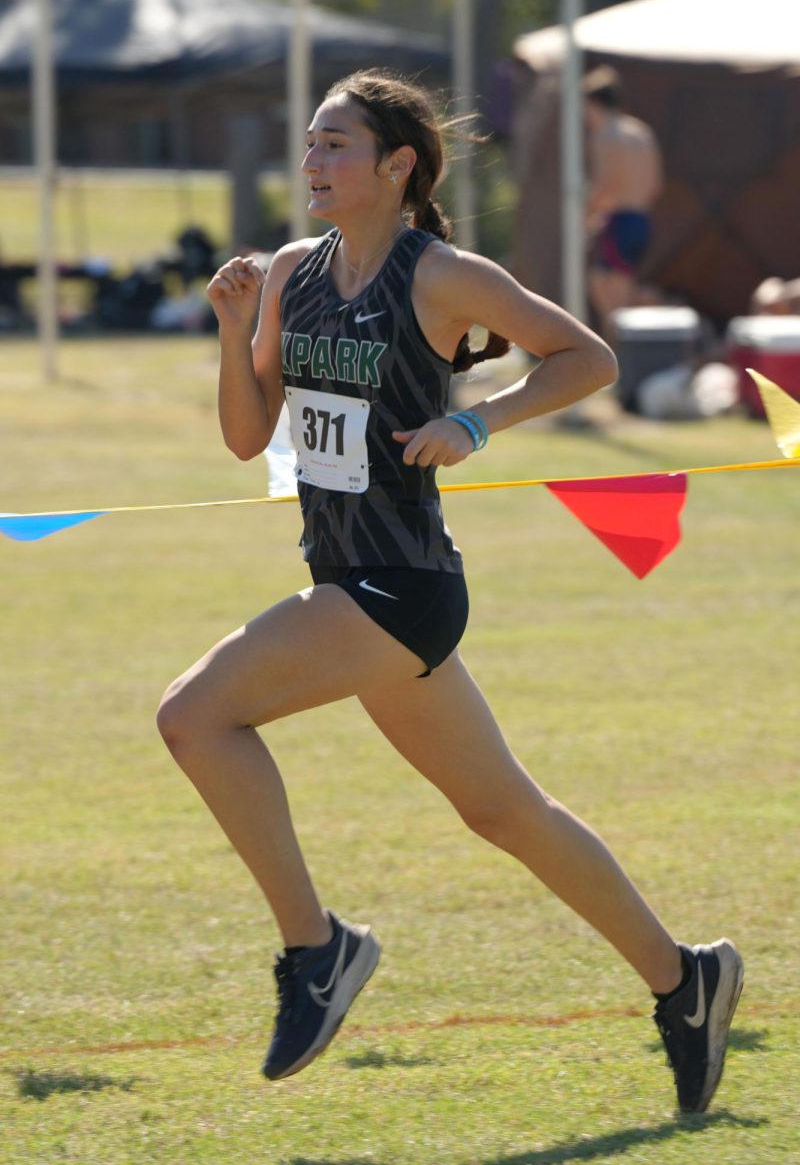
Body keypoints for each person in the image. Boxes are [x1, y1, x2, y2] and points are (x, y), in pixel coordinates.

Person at [156, 69, 743, 1111]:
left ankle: (317, 949)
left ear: (397, 167)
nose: (312, 165)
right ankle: (682, 978)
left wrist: (475, 422)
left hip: (402, 588)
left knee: (195, 716)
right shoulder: (291, 270)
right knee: (503, 811)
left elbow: (586, 356)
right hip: (345, 579)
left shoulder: (442, 276)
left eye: (336, 146)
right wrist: (232, 325)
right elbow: (250, 437)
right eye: (309, 145)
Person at [583, 66, 663, 339]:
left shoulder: (605, 135)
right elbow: (655, 185)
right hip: (642, 218)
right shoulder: (641, 132)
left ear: (593, 104)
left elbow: (607, 184)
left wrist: (588, 214)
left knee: (612, 293)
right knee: (619, 285)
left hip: (619, 219)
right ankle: (626, 346)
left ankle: (619, 352)